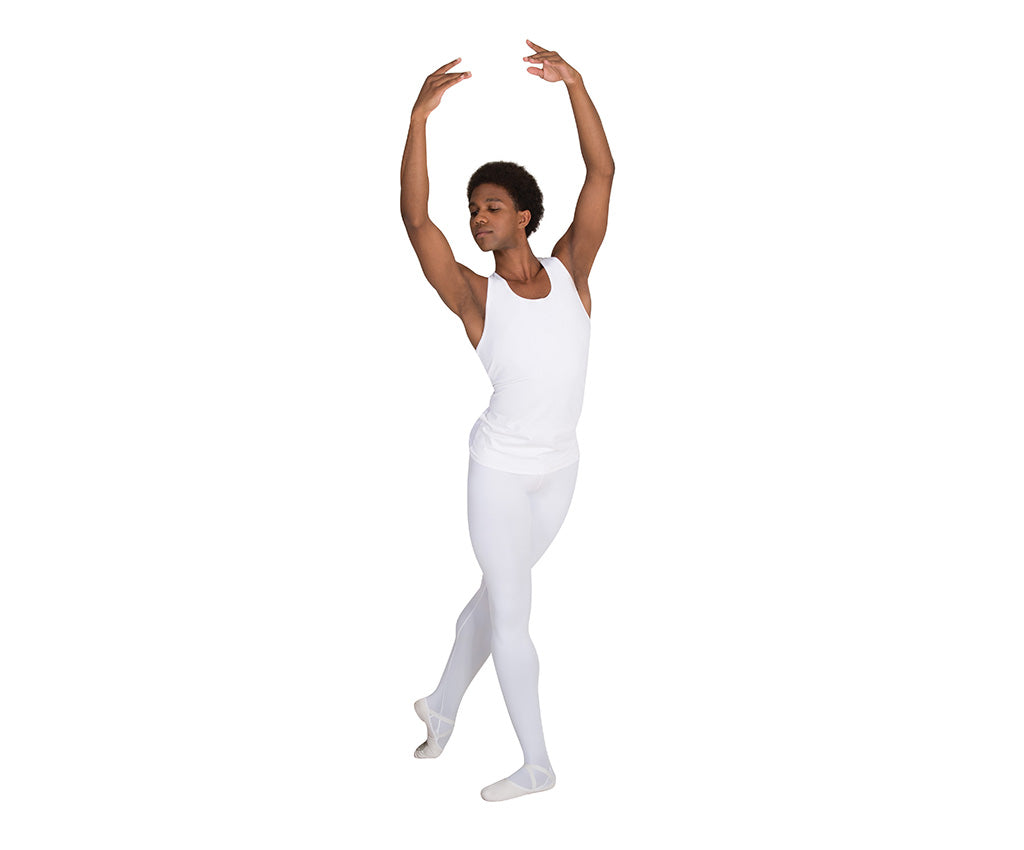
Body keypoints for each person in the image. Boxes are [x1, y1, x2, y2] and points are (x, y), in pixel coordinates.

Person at [400, 40, 613, 802]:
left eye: (491, 207)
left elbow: (602, 173)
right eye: (472, 210)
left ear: (524, 216)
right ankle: (537, 764)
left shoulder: (572, 269)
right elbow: (416, 221)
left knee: (495, 599)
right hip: (499, 473)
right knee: (515, 611)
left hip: (561, 471)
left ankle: (440, 705)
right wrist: (418, 121)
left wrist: (576, 84)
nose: (477, 218)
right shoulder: (474, 297)